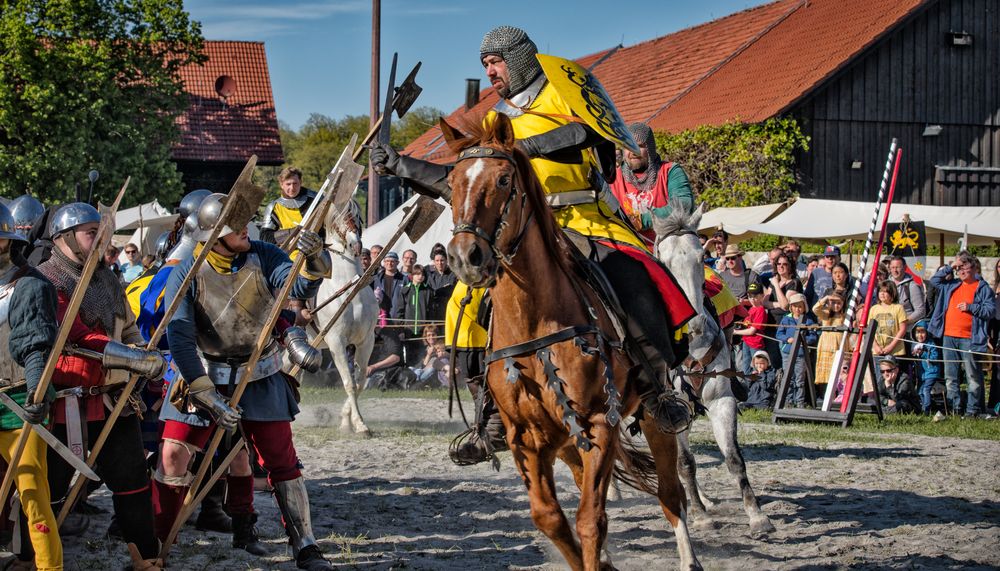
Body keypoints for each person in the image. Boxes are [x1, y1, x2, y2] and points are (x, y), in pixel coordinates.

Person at [368, 25, 696, 458]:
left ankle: (657, 390)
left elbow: (589, 133)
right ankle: (490, 415)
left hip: (581, 218)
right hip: (521, 232)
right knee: (464, 305)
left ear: (521, 57)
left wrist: (520, 146)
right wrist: (403, 166)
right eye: (484, 64)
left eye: (495, 61)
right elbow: (467, 185)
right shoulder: (493, 122)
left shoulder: (564, 86)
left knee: (631, 279)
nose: (489, 71)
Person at [161, 192, 333, 570]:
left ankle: (304, 543)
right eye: (232, 226)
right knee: (173, 456)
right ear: (211, 237)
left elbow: (296, 287)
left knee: (281, 461)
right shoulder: (186, 271)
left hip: (261, 374)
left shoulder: (264, 255)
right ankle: (157, 543)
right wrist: (206, 394)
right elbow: (180, 336)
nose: (244, 228)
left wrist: (314, 259)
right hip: (203, 376)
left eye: (243, 221)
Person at [35, 202, 168, 570]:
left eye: (100, 231)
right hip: (63, 402)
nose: (100, 239)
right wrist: (133, 358)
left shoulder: (107, 278)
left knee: (132, 482)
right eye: (91, 233)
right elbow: (75, 338)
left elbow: (126, 329)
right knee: (52, 488)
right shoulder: (45, 280)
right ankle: (35, 558)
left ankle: (145, 558)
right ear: (64, 239)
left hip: (111, 400)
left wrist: (141, 350)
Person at [0, 203, 63, 571]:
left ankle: (49, 568)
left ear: (8, 242)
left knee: (32, 492)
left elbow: (36, 344)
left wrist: (38, 392)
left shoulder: (29, 285)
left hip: (19, 400)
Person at [928, 252, 995, 417]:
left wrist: (971, 307)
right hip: (948, 336)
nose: (961, 271)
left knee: (973, 376)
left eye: (965, 267)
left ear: (974, 268)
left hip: (970, 338)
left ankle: (972, 410)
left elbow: (990, 311)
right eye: (959, 268)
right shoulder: (952, 284)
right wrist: (950, 266)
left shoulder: (983, 287)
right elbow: (934, 281)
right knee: (951, 376)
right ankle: (955, 409)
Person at [609, 121, 694, 242]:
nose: (633, 151)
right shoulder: (613, 178)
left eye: (640, 146)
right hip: (629, 250)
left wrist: (643, 220)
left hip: (666, 249)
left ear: (650, 148)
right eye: (628, 146)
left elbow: (684, 205)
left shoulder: (670, 171)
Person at [776, 292, 819, 407]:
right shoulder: (786, 320)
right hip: (787, 352)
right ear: (791, 307)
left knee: (800, 378)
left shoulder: (808, 321)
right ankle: (788, 401)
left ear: (805, 307)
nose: (797, 309)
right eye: (795, 306)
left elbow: (813, 337)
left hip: (801, 354)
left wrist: (803, 340)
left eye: (800, 306)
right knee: (788, 377)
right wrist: (787, 339)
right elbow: (779, 334)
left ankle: (800, 402)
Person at [259, 166, 317, 245]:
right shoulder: (274, 207)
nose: (292, 188)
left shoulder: (316, 199)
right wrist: (292, 232)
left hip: (319, 252)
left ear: (300, 182)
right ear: (281, 184)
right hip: (288, 255)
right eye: (288, 184)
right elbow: (265, 237)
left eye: (295, 183)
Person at [392, 264, 432, 367]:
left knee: (423, 354)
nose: (420, 276)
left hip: (423, 330)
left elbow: (432, 311)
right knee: (409, 355)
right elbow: (399, 311)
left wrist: (430, 328)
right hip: (408, 330)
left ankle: (422, 377)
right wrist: (401, 329)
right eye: (417, 274)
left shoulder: (428, 291)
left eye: (422, 274)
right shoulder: (405, 290)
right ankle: (410, 376)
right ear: (412, 275)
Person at [812, 291, 848, 392]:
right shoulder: (826, 314)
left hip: (839, 346)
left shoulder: (845, 316)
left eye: (839, 303)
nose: (836, 305)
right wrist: (827, 297)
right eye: (833, 303)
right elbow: (815, 309)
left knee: (840, 373)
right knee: (827, 375)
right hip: (826, 346)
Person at [733, 282, 768, 375]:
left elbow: (752, 331)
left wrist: (736, 332)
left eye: (755, 296)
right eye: (750, 296)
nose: (752, 299)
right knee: (746, 366)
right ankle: (750, 387)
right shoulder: (751, 308)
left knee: (758, 368)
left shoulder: (760, 310)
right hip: (746, 342)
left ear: (761, 296)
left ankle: (759, 387)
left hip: (755, 344)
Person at [909, 319, 942, 414]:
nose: (920, 335)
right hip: (921, 374)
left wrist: (923, 353)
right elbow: (913, 356)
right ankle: (925, 406)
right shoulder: (914, 344)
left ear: (927, 332)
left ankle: (926, 410)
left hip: (931, 372)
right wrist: (914, 354)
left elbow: (935, 357)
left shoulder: (931, 344)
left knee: (925, 390)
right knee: (919, 391)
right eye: (918, 332)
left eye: (922, 332)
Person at [869, 280, 908, 359]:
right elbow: (869, 330)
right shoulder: (873, 309)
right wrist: (875, 346)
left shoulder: (898, 308)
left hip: (896, 351)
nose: (882, 294)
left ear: (892, 293)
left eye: (885, 291)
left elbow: (902, 329)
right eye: (880, 291)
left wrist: (891, 347)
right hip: (877, 351)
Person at [764, 252, 803, 323]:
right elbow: (764, 303)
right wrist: (779, 304)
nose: (781, 266)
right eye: (778, 264)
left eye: (785, 264)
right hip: (770, 322)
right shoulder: (774, 281)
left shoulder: (794, 283)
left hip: (786, 323)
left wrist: (776, 285)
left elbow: (785, 306)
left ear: (790, 266)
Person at [888, 255, 926, 326]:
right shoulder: (885, 285)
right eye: (892, 268)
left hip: (905, 329)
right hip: (887, 328)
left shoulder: (912, 286)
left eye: (898, 267)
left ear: (905, 268)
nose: (895, 270)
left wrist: (903, 322)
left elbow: (920, 311)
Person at [374, 251, 405, 328]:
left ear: (397, 263)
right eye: (387, 261)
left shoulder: (404, 279)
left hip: (396, 318)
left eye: (392, 261)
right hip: (380, 317)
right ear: (384, 263)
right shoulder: (377, 278)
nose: (389, 263)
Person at [425, 251, 457, 322]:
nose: (440, 263)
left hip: (448, 311)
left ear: (446, 261)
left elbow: (450, 290)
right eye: (437, 260)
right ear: (434, 262)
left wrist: (436, 291)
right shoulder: (430, 276)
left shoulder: (452, 275)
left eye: (442, 260)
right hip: (433, 313)